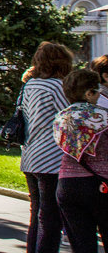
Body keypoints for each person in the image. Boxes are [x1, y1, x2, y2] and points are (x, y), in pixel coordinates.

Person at [19, 42, 73, 253]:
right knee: (50, 217)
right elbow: (69, 115)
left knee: (37, 214)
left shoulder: (29, 85)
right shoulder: (56, 86)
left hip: (31, 156)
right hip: (51, 158)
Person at [53, 68, 108, 253]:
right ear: (88, 93)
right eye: (96, 89)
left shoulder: (61, 117)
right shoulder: (102, 117)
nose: (99, 93)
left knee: (82, 246)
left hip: (67, 185)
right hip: (100, 184)